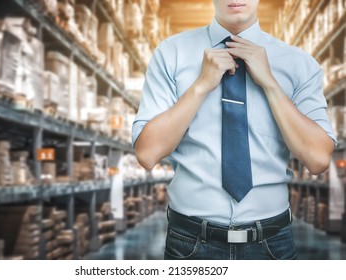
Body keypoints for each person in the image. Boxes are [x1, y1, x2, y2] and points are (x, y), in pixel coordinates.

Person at [132, 0, 337, 260]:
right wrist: (201, 86)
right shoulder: (171, 53)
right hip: (190, 243)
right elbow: (147, 153)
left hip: (272, 245)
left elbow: (318, 159)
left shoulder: (299, 64)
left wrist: (271, 84)